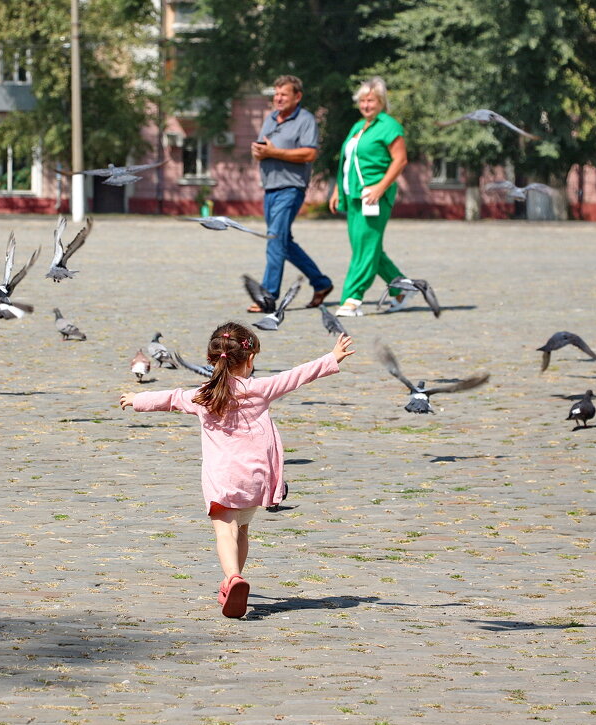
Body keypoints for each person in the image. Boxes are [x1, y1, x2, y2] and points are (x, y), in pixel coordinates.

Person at [120, 323, 355, 618]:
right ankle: (233, 582)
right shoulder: (260, 389)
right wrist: (332, 357)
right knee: (242, 529)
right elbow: (296, 376)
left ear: (212, 360)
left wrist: (136, 399)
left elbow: (170, 398)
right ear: (250, 359)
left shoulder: (202, 395)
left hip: (221, 478)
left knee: (225, 529)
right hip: (254, 478)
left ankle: (232, 578)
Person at [250, 75, 334, 312]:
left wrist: (274, 153)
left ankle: (268, 296)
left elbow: (309, 154)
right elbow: (264, 149)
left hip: (291, 187)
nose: (278, 98)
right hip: (270, 187)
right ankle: (321, 283)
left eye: (283, 94)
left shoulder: (305, 120)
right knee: (283, 242)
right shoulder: (271, 118)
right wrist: (259, 152)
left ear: (297, 96)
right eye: (276, 93)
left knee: (275, 239)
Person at [328, 77, 410, 317]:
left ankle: (352, 298)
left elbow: (400, 160)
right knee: (366, 247)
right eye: (362, 100)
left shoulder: (389, 126)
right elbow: (346, 163)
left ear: (381, 102)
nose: (366, 105)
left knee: (365, 248)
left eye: (371, 100)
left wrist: (380, 188)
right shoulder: (358, 126)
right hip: (353, 195)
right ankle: (402, 288)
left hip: (374, 196)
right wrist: (336, 190)